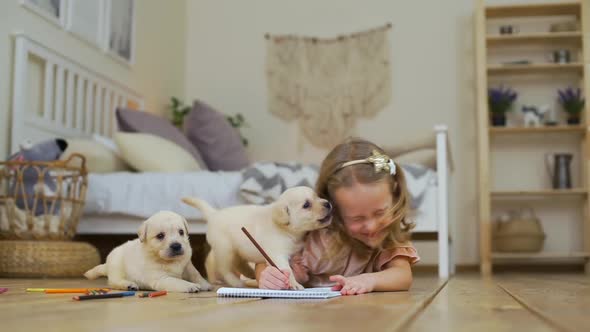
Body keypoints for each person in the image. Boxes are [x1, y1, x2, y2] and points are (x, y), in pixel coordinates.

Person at [255, 138, 420, 295]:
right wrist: (270, 278)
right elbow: (264, 260)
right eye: (357, 218)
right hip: (310, 317)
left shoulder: (388, 234)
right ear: (335, 211)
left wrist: (370, 280)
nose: (371, 226)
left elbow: (402, 275)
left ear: (395, 196)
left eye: (380, 212)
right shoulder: (313, 234)